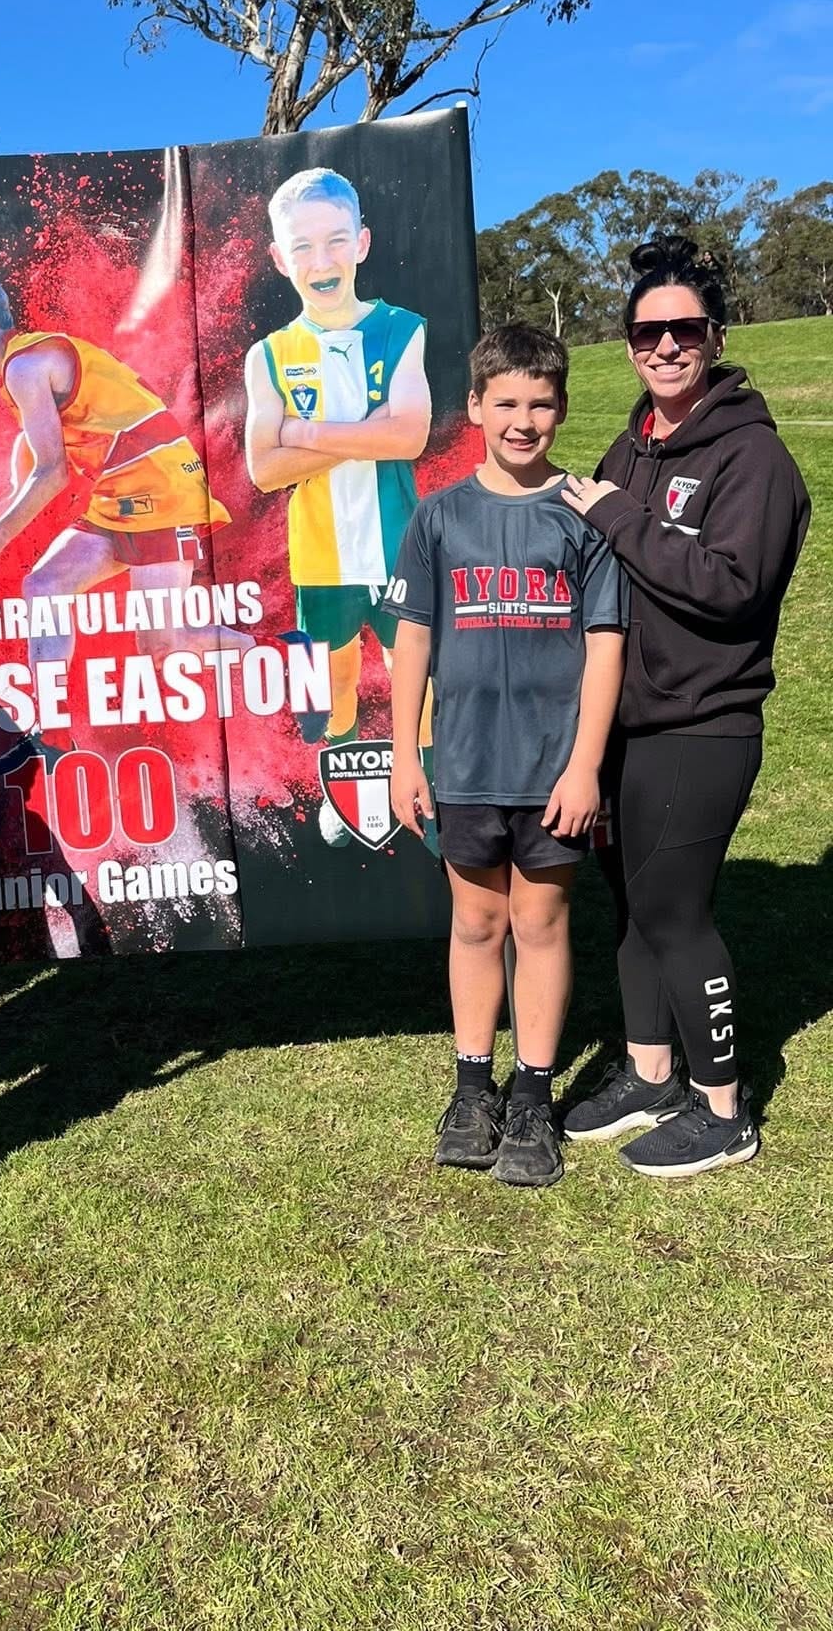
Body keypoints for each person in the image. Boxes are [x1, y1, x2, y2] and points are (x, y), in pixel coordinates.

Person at [561, 238, 810, 1178]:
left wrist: (616, 519)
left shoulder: (755, 459)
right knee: (631, 908)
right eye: (645, 332)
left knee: (676, 911)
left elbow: (730, 586)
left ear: (713, 335)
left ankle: (723, 1108)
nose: (663, 347)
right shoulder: (634, 444)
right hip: (626, 720)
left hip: (703, 722)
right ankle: (650, 1072)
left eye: (683, 330)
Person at [389, 325, 626, 1187]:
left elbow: (605, 646)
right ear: (475, 408)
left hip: (552, 768)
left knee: (541, 923)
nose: (523, 421)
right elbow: (412, 641)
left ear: (560, 408)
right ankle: (472, 1086)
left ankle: (533, 1096)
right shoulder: (440, 515)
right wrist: (406, 756)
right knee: (478, 923)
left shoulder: (583, 514)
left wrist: (585, 765)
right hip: (464, 765)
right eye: (507, 404)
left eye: (541, 404)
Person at [0, 268, 234, 767]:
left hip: (160, 488)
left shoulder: (25, 368)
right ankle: (51, 734)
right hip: (124, 490)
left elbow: (52, 475)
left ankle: (283, 647)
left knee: (164, 646)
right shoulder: (22, 374)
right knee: (45, 587)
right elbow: (25, 487)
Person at [243, 168, 431, 841]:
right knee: (332, 681)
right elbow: (264, 469)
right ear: (279, 259)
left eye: (334, 241)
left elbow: (408, 435)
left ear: (362, 243)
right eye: (302, 247)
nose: (320, 261)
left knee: (416, 675)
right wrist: (366, 430)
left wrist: (305, 431)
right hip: (319, 556)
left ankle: (428, 781)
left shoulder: (402, 329)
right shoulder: (269, 355)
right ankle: (341, 787)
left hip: (399, 546)